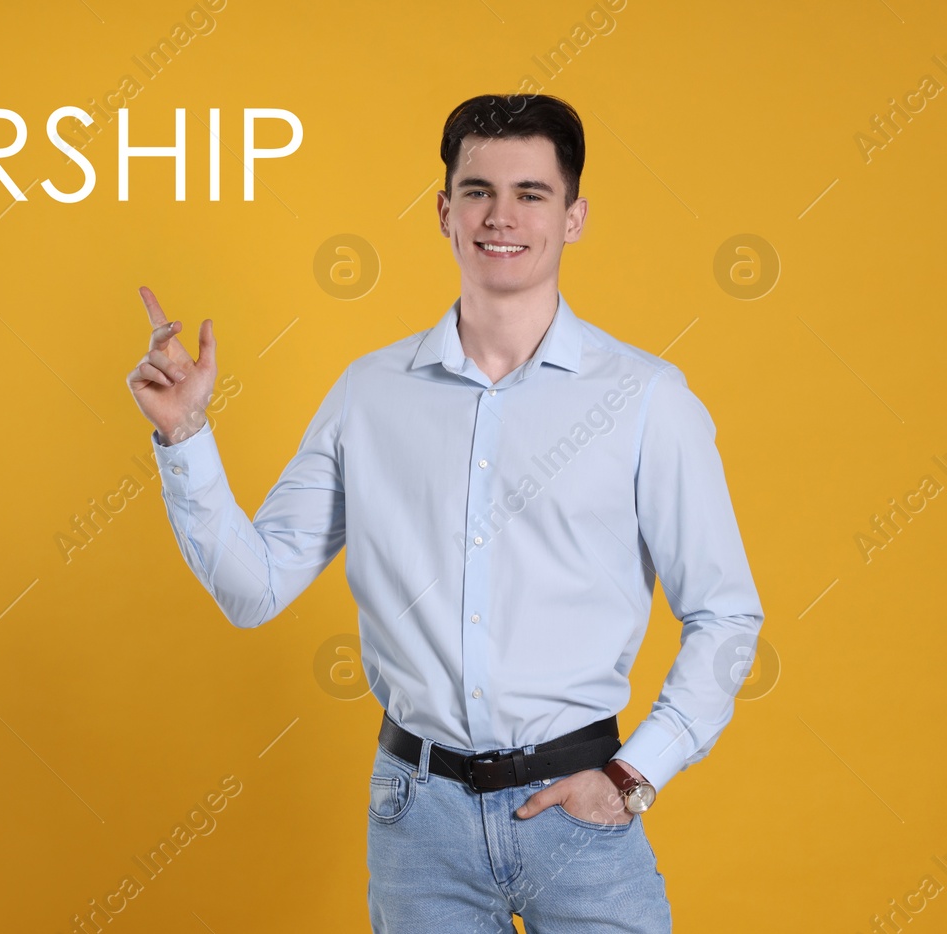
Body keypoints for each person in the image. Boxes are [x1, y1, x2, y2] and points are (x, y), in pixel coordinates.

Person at [123, 93, 765, 933]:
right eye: (477, 191)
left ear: (573, 218)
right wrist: (188, 437)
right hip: (416, 822)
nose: (501, 217)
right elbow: (255, 590)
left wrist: (633, 774)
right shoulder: (369, 395)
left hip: (580, 811)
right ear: (443, 211)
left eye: (531, 194)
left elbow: (726, 617)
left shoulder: (645, 399)